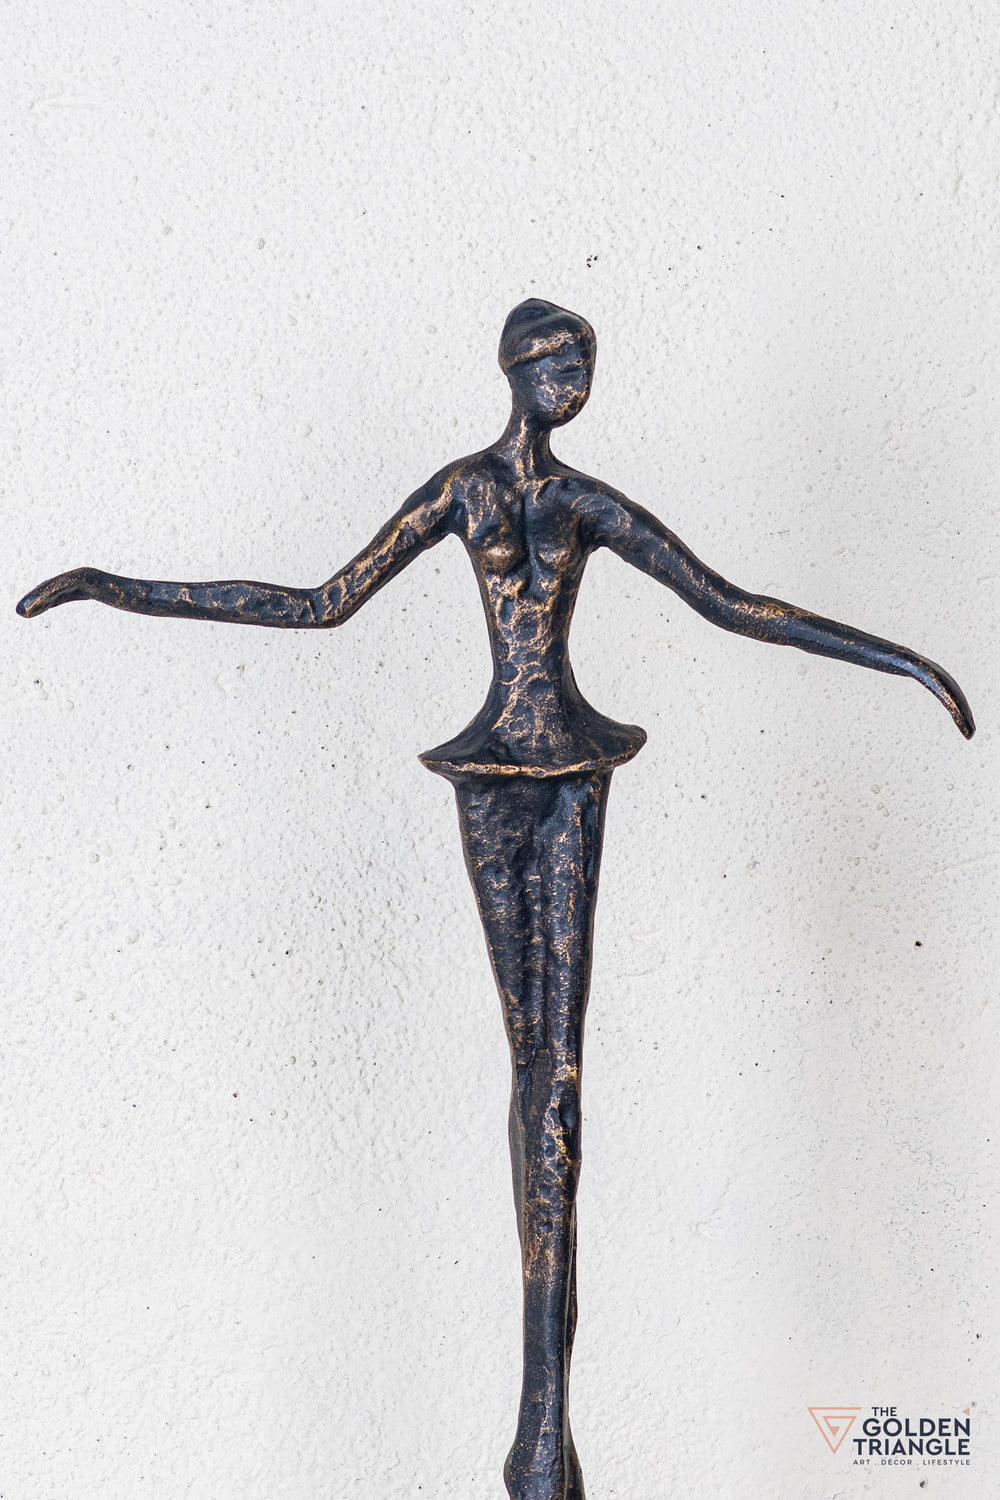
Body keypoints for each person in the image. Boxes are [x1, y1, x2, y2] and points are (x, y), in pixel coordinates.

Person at [17, 299, 975, 1500]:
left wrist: (905, 662)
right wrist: (120, 587)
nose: (577, 379)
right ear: (516, 370)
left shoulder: (586, 505)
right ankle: (540, 1441)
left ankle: (541, 1436)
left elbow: (726, 602)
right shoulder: (465, 492)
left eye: (586, 362)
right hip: (493, 774)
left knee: (557, 1084)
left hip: (570, 771)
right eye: (559, 361)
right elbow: (321, 601)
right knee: (533, 1073)